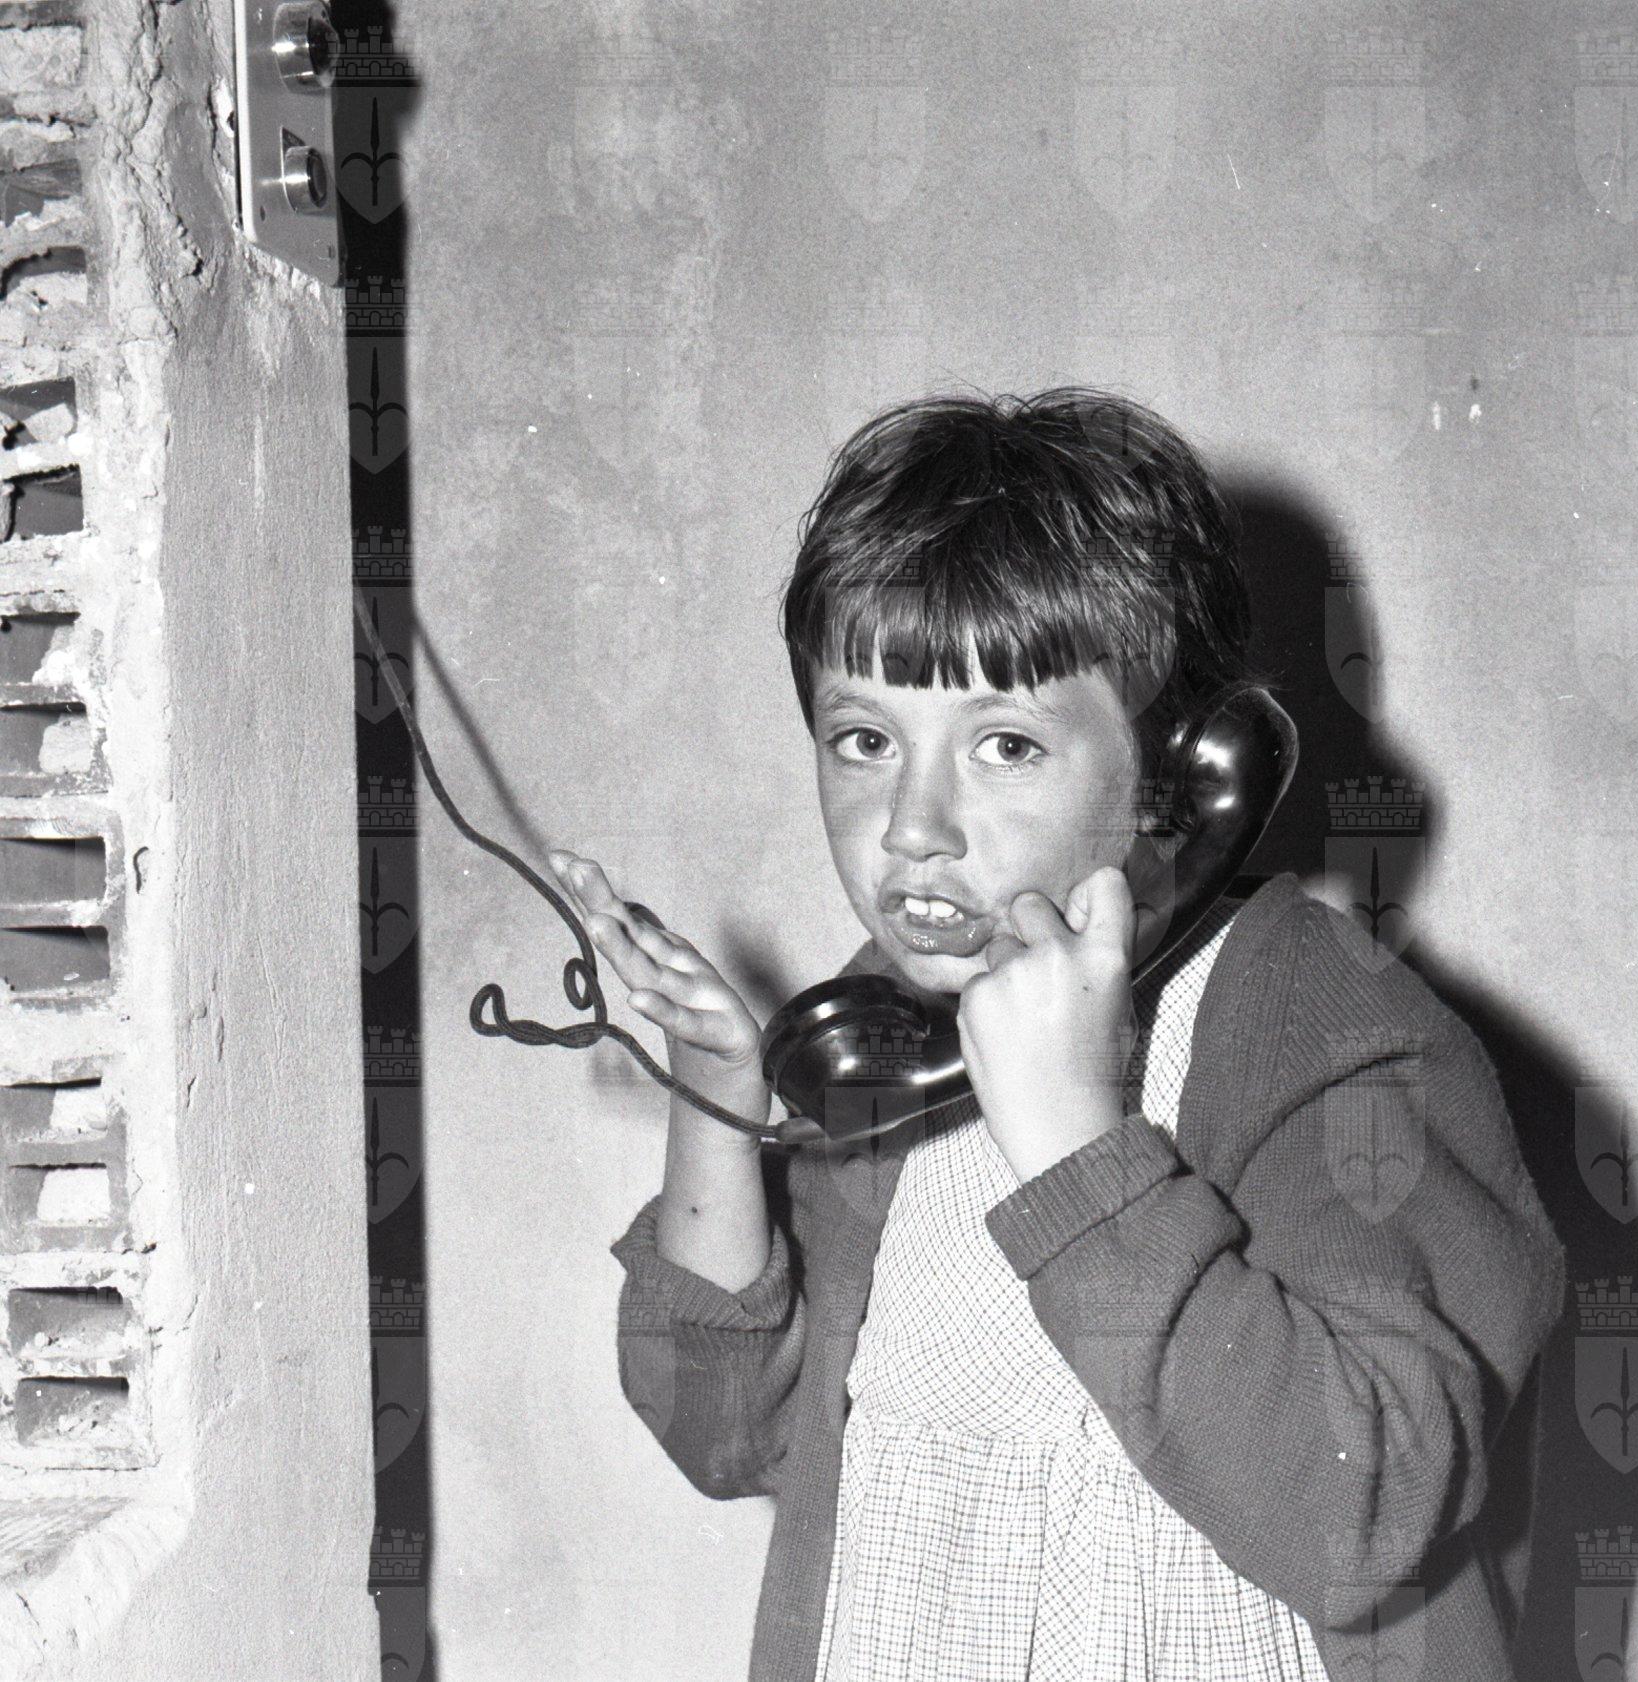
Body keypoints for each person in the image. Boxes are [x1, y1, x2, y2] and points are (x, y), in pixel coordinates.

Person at [555, 389, 1566, 1681]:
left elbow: (1359, 1508)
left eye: (1005, 746)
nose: (912, 824)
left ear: (1177, 776)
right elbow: (720, 1435)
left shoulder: (1320, 1021)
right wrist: (717, 1102)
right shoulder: (884, 1039)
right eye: (862, 738)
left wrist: (1081, 1155)